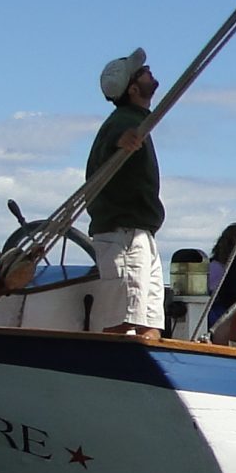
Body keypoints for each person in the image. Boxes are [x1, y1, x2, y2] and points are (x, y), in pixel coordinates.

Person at [87, 48, 164, 337]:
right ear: (134, 88)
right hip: (125, 235)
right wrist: (123, 142)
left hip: (139, 234)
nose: (149, 70)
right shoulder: (124, 122)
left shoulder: (134, 119)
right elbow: (114, 144)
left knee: (150, 325)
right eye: (142, 71)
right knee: (125, 323)